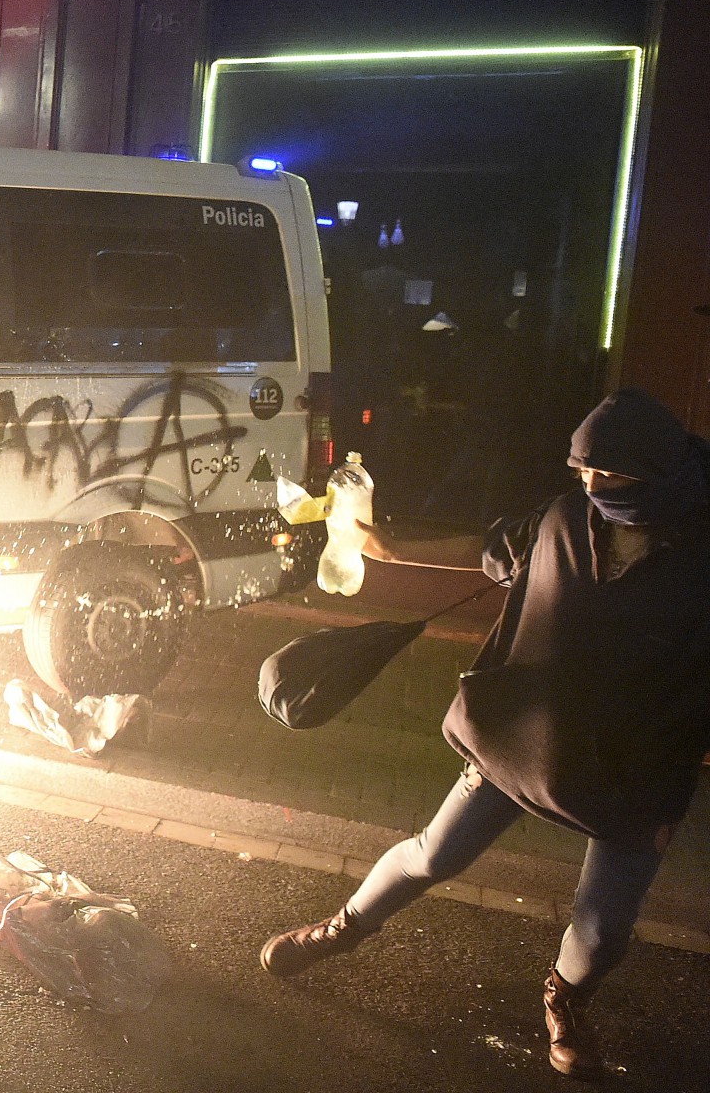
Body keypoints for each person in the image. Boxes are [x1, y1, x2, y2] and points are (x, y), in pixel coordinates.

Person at [258, 388, 710, 1080]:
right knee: (433, 854)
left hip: (637, 760)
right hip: (523, 739)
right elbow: (487, 549)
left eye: (606, 473)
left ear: (654, 469)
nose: (587, 485)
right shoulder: (565, 516)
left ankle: (566, 998)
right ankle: (341, 929)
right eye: (579, 468)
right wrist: (394, 547)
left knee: (602, 923)